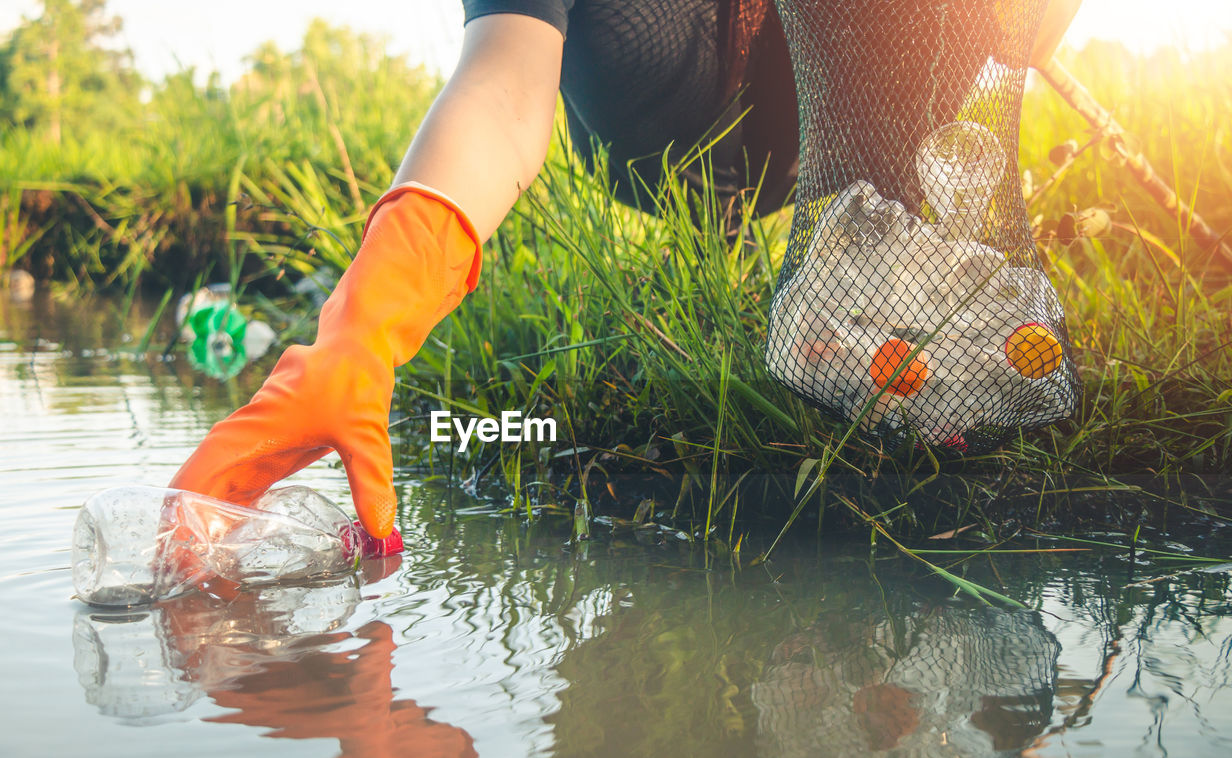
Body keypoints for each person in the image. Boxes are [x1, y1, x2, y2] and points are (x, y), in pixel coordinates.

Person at [169, 0, 1081, 540]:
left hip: (829, 134)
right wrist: (362, 330)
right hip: (653, 129)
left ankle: (862, 279)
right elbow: (503, 80)